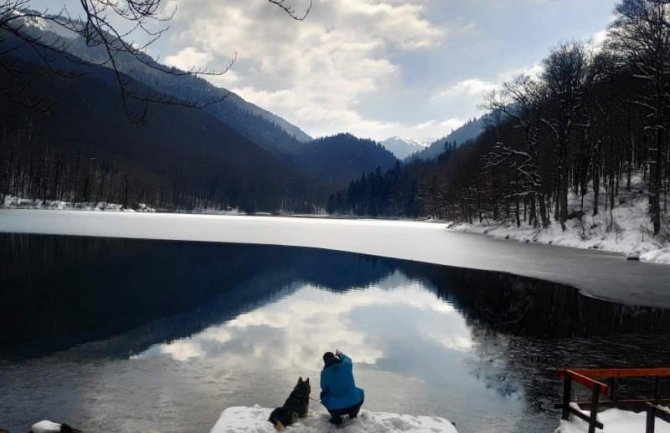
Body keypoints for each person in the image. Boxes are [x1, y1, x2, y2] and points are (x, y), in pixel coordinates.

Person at [320, 349, 365, 425]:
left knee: (324, 396)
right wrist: (340, 354)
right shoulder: (346, 365)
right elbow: (348, 359)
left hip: (336, 409)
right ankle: (353, 414)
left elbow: (324, 388)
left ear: (325, 361)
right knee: (360, 391)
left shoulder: (324, 373)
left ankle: (336, 418)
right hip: (355, 403)